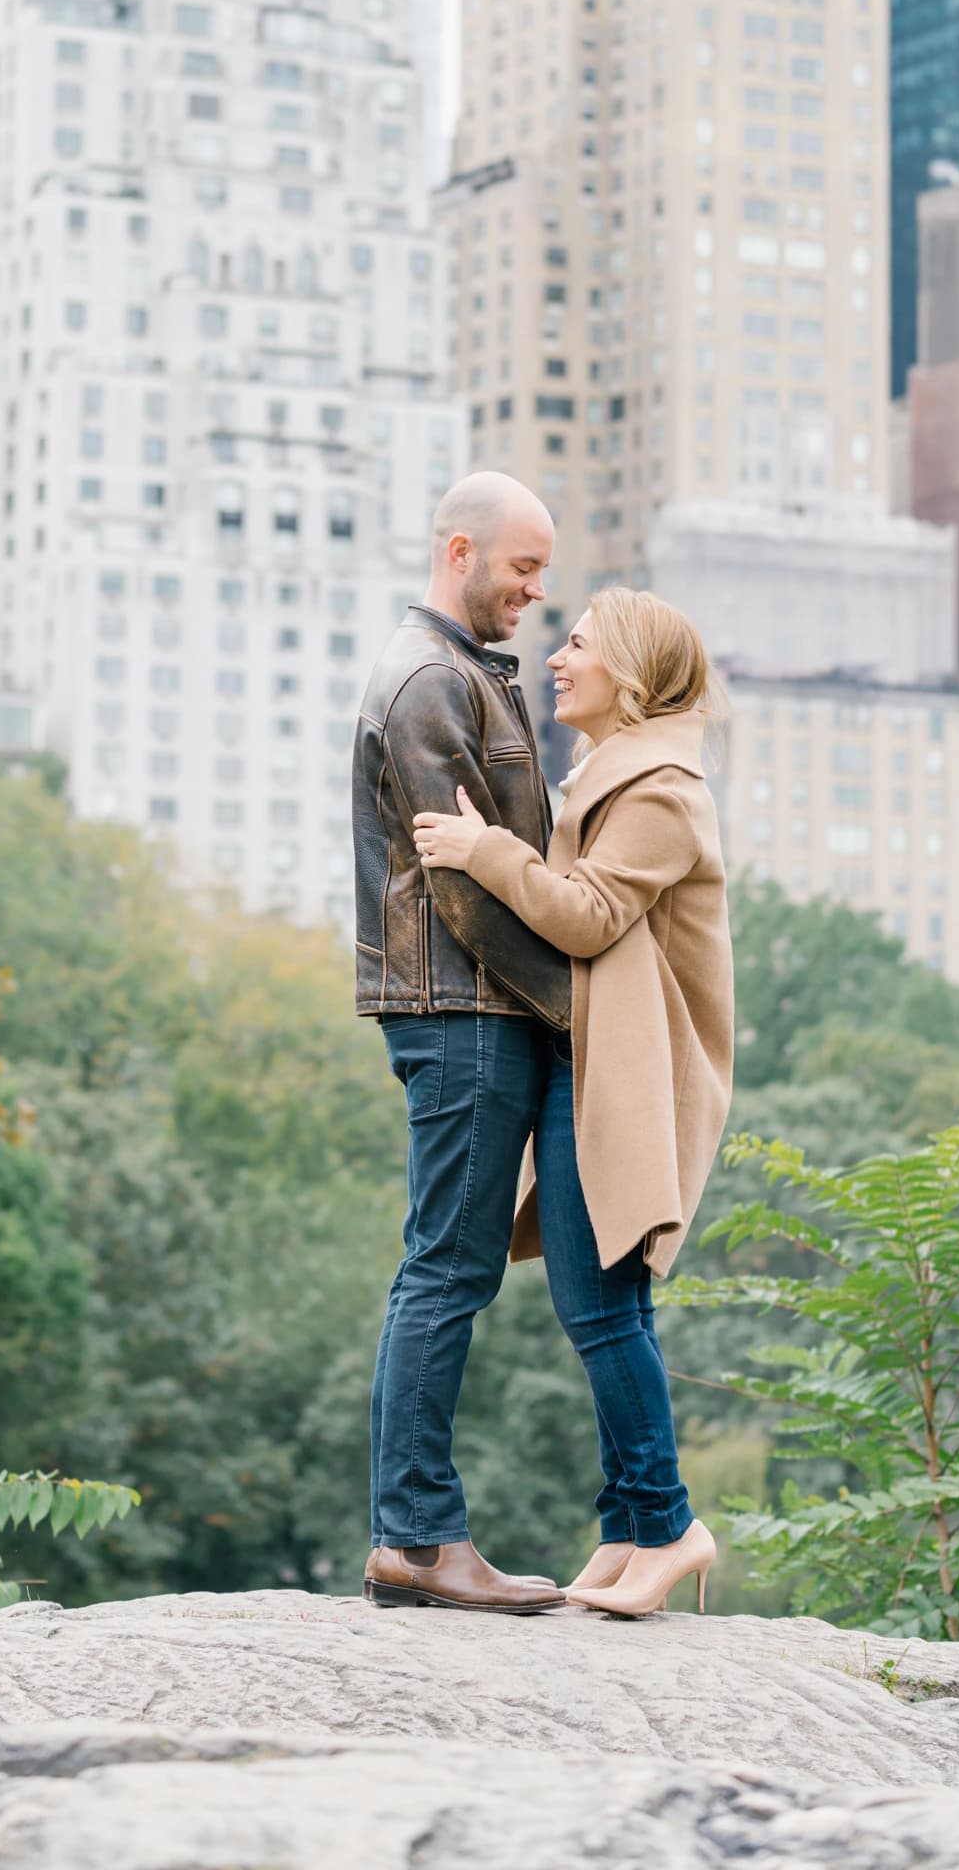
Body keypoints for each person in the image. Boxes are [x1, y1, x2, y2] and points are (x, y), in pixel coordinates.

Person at [412, 588, 733, 1619]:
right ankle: (630, 1525)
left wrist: (484, 854)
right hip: (584, 1052)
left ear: (630, 673)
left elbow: (591, 918)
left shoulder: (662, 791)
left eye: (580, 644)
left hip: (626, 1068)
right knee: (602, 1299)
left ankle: (673, 1524)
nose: (558, 658)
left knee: (599, 1305)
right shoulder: (612, 774)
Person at [354, 470, 571, 1614]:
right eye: (523, 568)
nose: (538, 591)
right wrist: (576, 1006)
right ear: (458, 551)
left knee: (451, 1264)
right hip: (465, 1008)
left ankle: (416, 1532)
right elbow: (466, 890)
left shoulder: (467, 673)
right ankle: (422, 1537)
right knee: (447, 1267)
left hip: (477, 1008)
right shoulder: (433, 681)